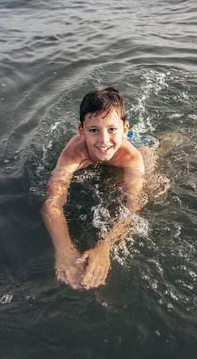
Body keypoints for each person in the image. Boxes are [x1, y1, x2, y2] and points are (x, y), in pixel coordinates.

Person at [41, 87, 158, 290]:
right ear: (81, 131)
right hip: (105, 149)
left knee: (155, 184)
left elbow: (134, 203)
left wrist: (105, 246)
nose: (103, 140)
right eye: (94, 130)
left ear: (124, 129)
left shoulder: (131, 157)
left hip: (141, 144)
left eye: (112, 129)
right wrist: (64, 251)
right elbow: (52, 204)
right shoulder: (73, 153)